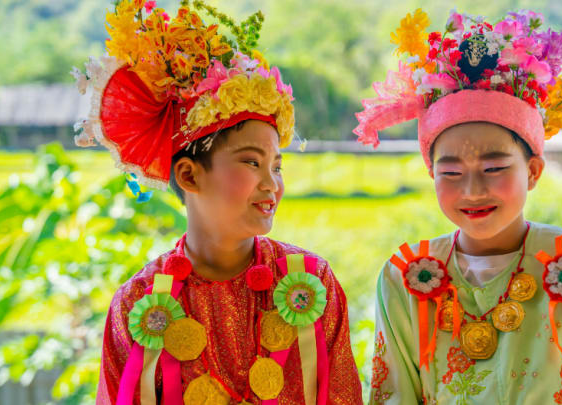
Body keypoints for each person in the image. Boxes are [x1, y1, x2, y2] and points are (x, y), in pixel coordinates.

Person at [354, 8, 562, 404]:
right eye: (450, 173)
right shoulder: (405, 278)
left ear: (533, 171)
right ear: (430, 173)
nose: (472, 189)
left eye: (494, 167)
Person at [73, 1, 363, 403]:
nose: (272, 184)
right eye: (251, 162)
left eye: (276, 166)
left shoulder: (313, 281)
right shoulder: (139, 302)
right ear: (190, 175)